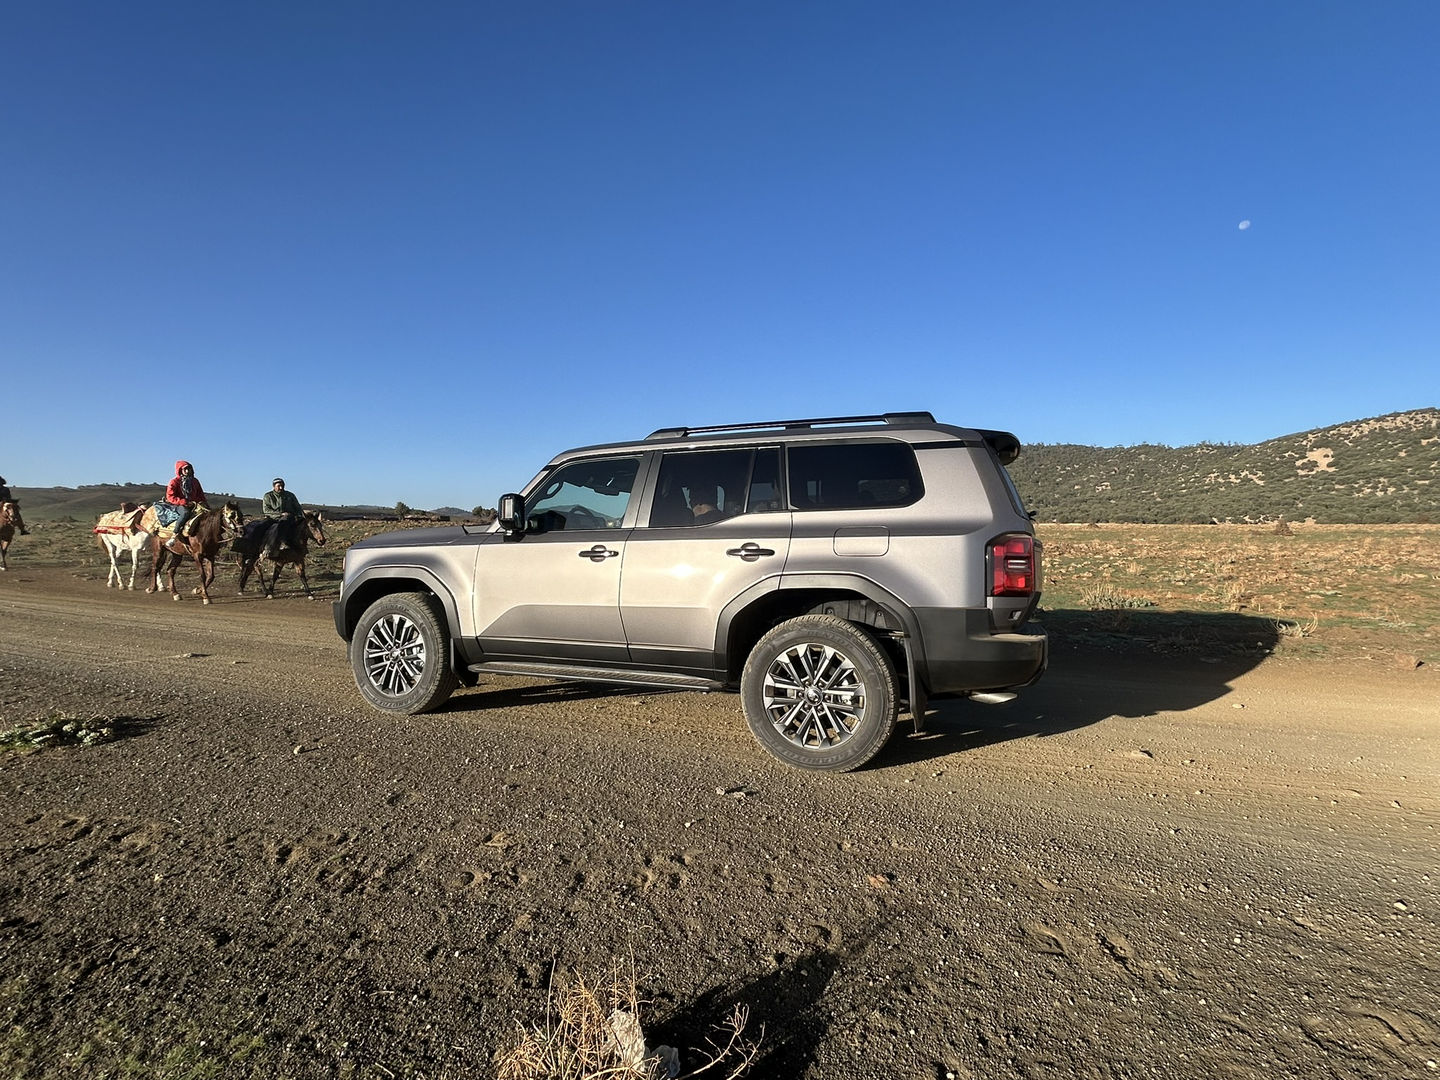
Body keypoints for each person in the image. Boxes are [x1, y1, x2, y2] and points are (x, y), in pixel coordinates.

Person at [261, 477, 305, 558]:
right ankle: (264, 547)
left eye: (282, 486)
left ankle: (295, 546)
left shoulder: (290, 495)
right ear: (274, 486)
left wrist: (299, 516)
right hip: (273, 518)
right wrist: (280, 514)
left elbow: (297, 508)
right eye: (279, 486)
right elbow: (266, 510)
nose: (281, 488)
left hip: (290, 517)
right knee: (260, 526)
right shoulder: (268, 496)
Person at [164, 461, 210, 536]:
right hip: (178, 505)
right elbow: (170, 497)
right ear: (180, 470)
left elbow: (200, 494)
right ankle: (175, 533)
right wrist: (183, 501)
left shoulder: (195, 481)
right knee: (185, 513)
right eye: (185, 469)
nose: (187, 471)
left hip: (194, 504)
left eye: (189, 469)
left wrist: (205, 504)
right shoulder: (174, 482)